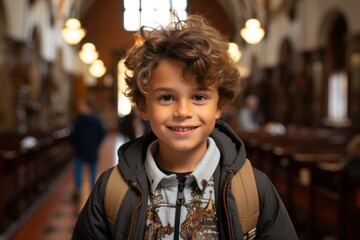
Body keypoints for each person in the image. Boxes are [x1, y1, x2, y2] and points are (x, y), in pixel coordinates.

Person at [72, 14, 297, 239]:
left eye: (199, 97)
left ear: (219, 105)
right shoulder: (111, 190)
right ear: (143, 106)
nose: (183, 112)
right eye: (167, 98)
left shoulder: (254, 190)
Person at [70, 96, 106, 200]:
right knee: (92, 169)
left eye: (82, 106)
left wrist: (74, 143)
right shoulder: (97, 120)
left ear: (88, 107)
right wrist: (96, 144)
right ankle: (93, 190)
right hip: (92, 149)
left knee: (79, 170)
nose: (80, 108)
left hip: (80, 149)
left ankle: (78, 190)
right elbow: (102, 134)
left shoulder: (79, 121)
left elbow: (74, 135)